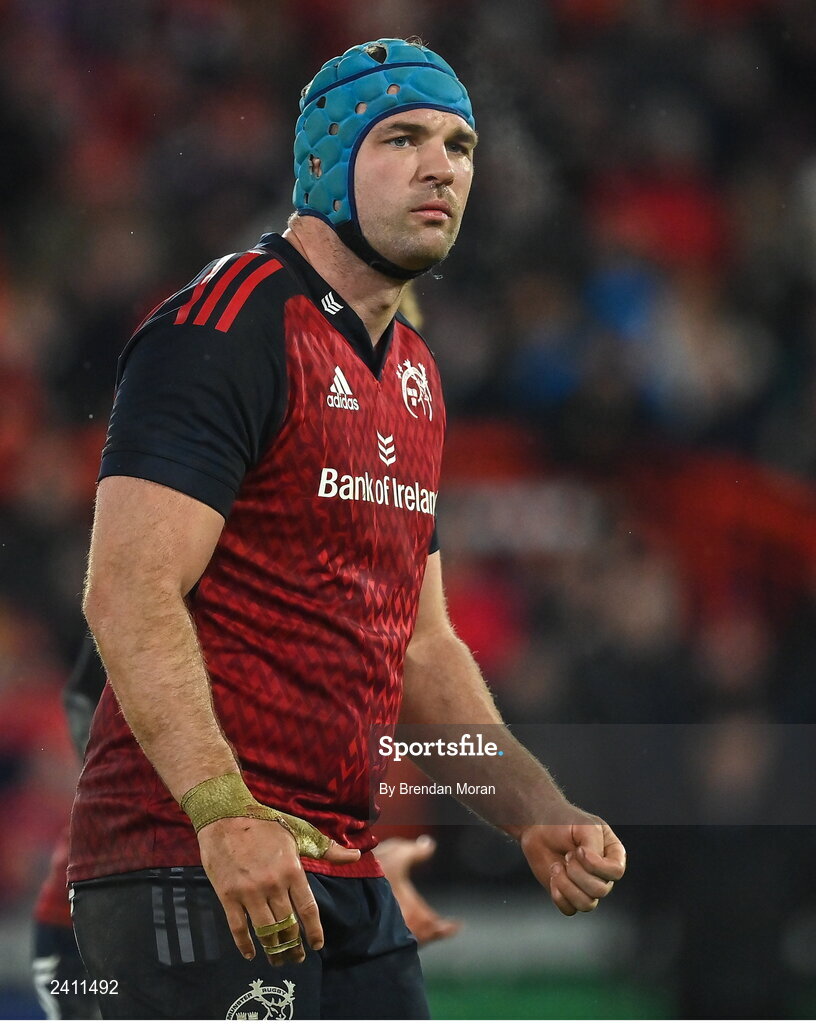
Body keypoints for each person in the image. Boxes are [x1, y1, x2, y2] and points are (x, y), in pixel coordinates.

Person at [68, 37, 626, 1019]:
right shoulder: (224, 326)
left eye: (460, 145)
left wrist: (535, 811)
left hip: (345, 868)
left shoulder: (416, 375)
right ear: (324, 160)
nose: (441, 167)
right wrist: (221, 812)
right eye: (403, 137)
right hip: (189, 859)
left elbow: (423, 649)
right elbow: (127, 588)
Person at [33, 640, 455, 1020]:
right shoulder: (184, 577)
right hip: (138, 905)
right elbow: (98, 688)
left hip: (298, 890)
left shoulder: (366, 611)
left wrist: (362, 866)